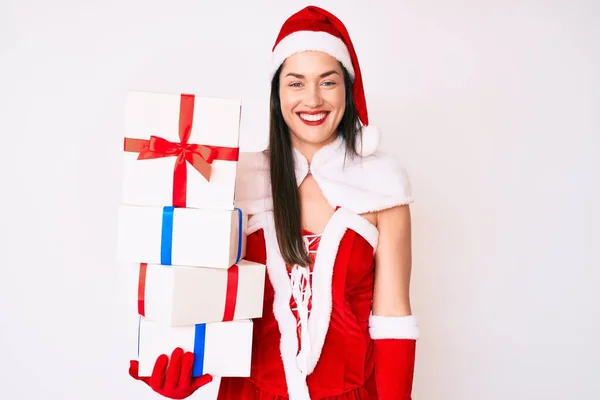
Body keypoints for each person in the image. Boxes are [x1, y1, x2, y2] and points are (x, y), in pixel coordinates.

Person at [129, 5, 420, 400]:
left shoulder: (383, 184)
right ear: (276, 92)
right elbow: (201, 298)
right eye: (296, 83)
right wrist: (179, 364)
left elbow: (392, 320)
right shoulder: (237, 181)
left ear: (347, 90)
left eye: (328, 82)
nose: (312, 99)